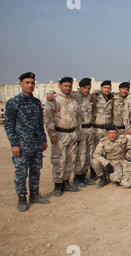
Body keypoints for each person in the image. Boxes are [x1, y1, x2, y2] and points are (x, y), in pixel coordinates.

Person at [4, 72, 49, 212]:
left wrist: (43, 139)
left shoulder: (36, 102)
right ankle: (22, 198)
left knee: (36, 170)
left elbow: (40, 123)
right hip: (22, 145)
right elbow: (9, 125)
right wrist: (14, 144)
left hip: (36, 144)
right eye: (27, 82)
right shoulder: (14, 102)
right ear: (20, 84)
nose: (30, 85)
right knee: (21, 172)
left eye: (32, 83)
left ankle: (35, 194)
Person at [44, 76, 82, 196]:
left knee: (70, 159)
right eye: (65, 86)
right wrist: (52, 135)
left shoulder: (74, 99)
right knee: (59, 160)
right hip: (60, 134)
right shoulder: (54, 99)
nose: (68, 88)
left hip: (72, 133)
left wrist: (78, 134)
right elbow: (48, 118)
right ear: (60, 86)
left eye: (70, 86)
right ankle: (58, 185)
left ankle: (66, 182)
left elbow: (78, 118)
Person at [72, 78, 96, 187]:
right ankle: (77, 177)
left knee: (89, 154)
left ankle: (84, 176)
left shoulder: (90, 96)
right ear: (80, 87)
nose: (87, 90)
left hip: (90, 129)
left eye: (89, 88)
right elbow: (58, 94)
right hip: (80, 129)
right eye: (85, 88)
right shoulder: (74, 96)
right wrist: (49, 94)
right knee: (80, 154)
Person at [92, 80, 114, 147]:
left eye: (108, 88)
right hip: (97, 129)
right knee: (96, 148)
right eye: (105, 88)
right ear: (101, 88)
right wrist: (95, 93)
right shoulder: (96, 97)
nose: (107, 90)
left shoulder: (112, 98)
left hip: (107, 129)